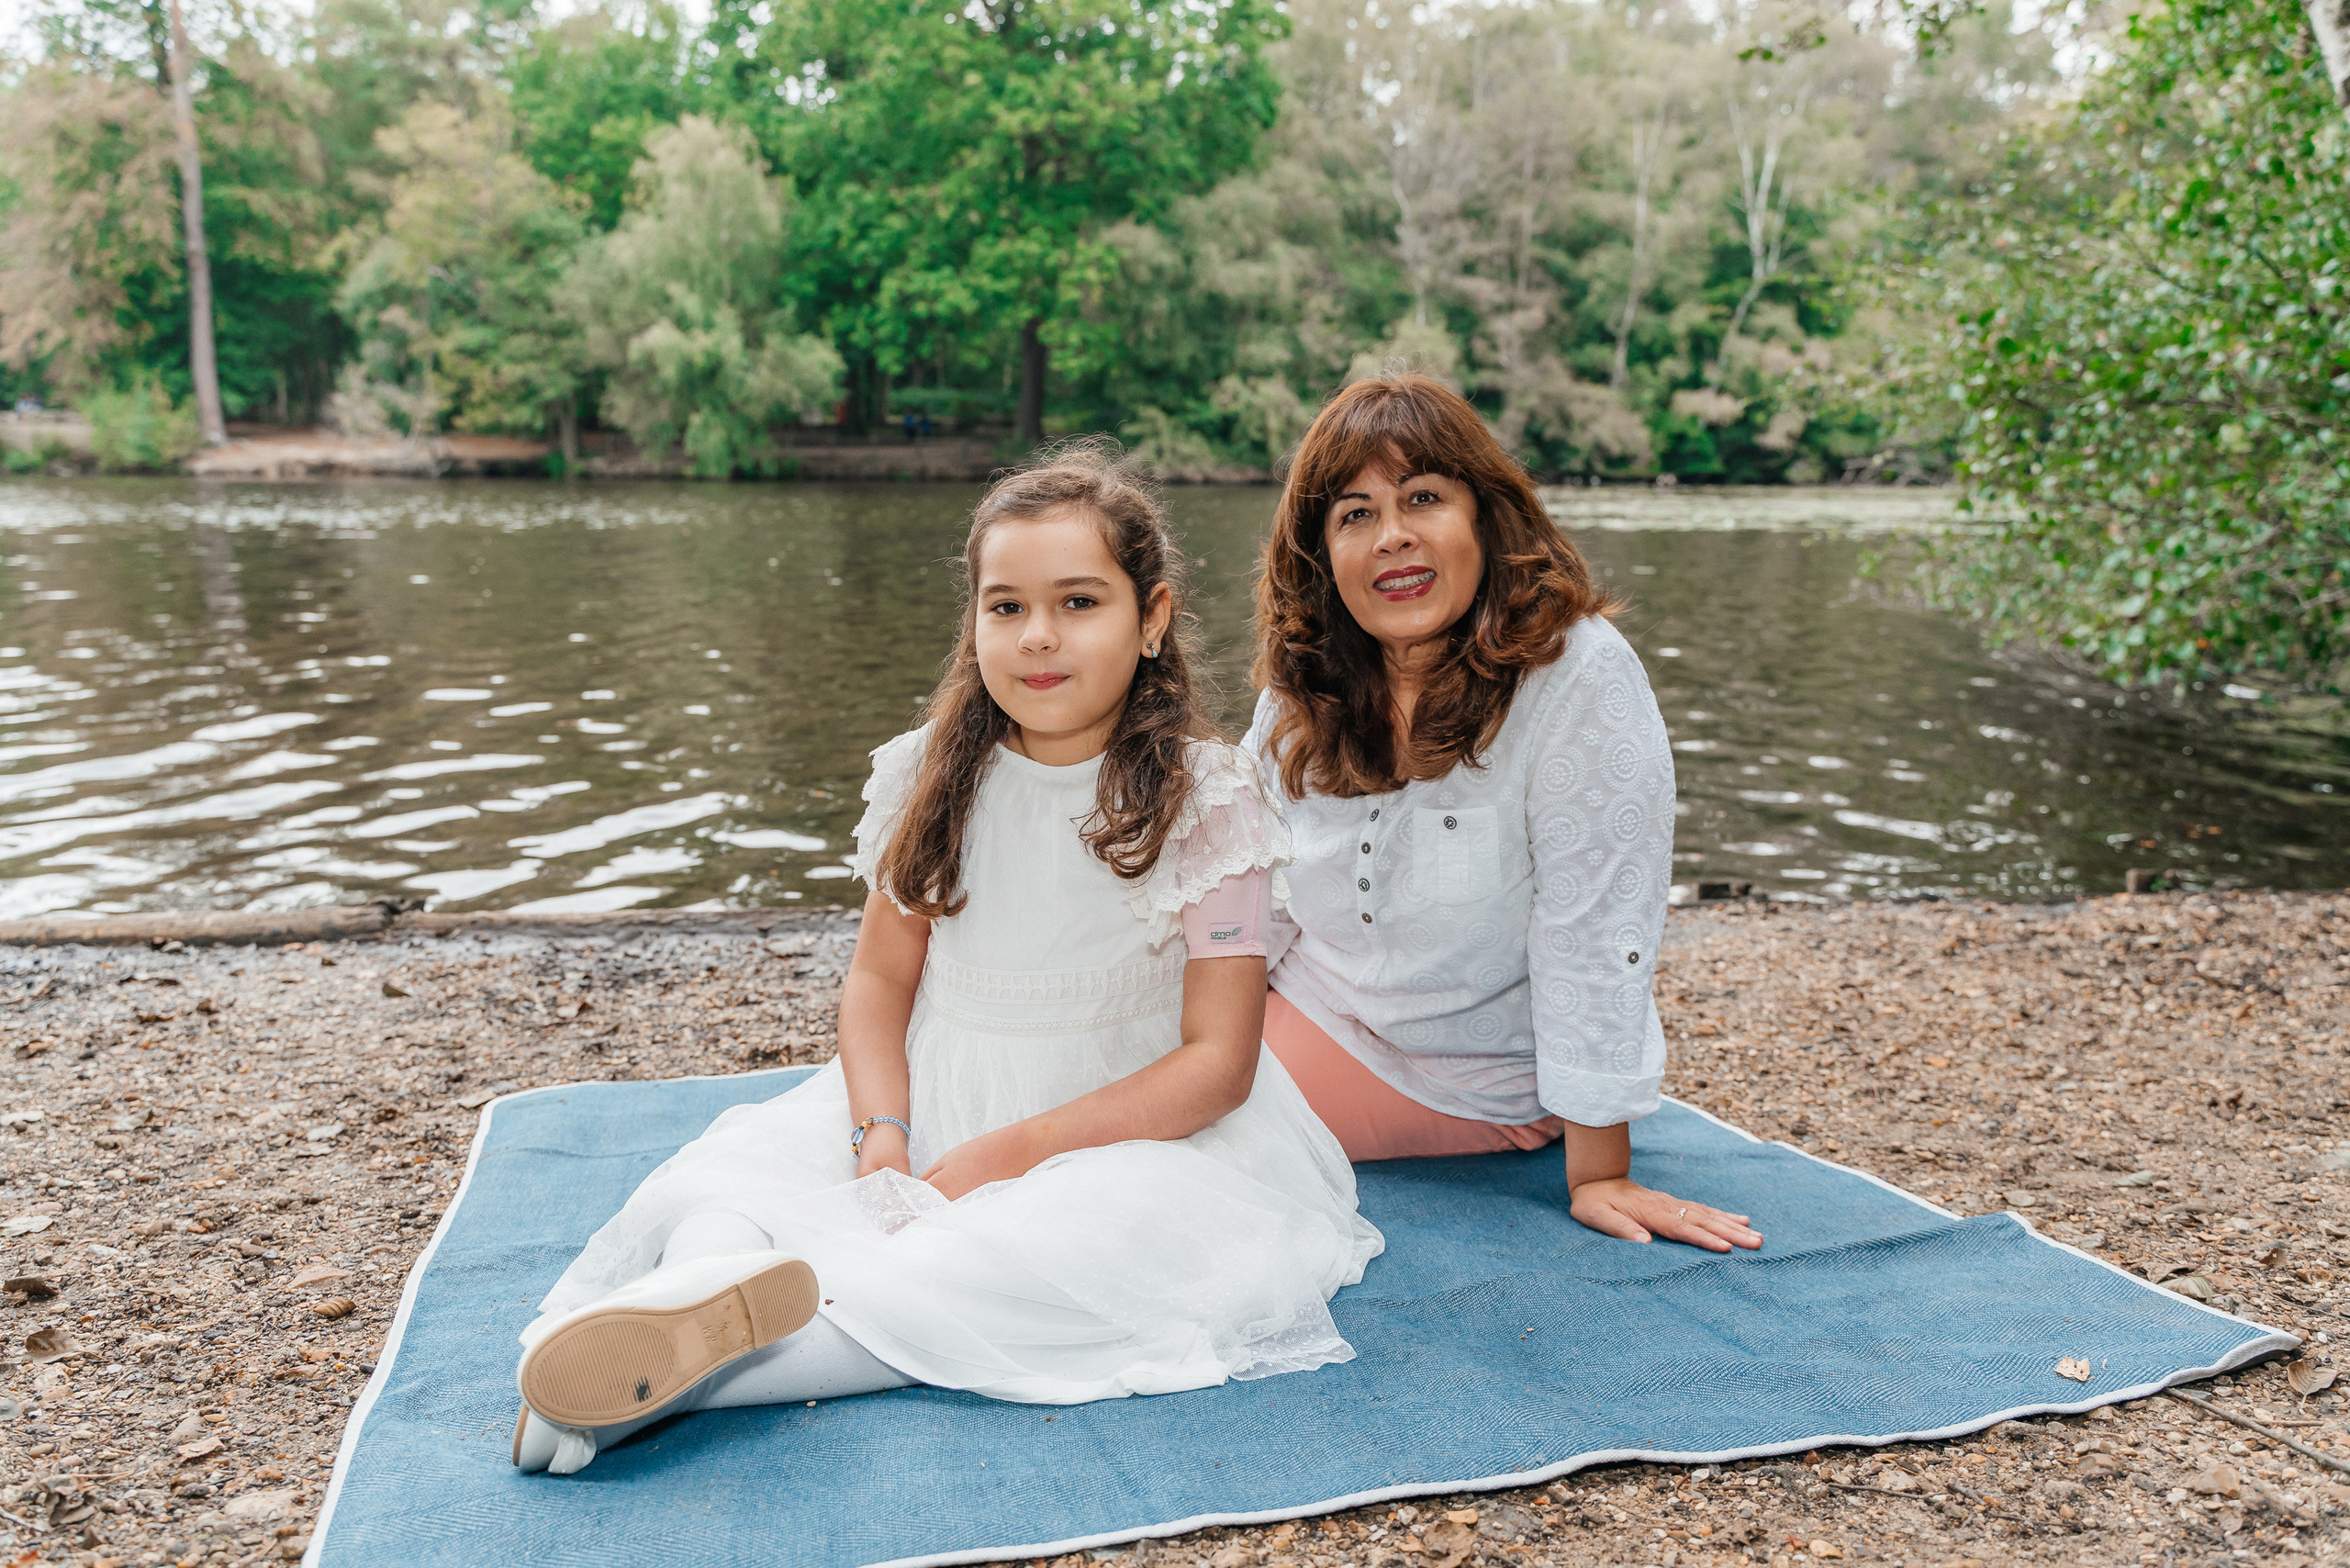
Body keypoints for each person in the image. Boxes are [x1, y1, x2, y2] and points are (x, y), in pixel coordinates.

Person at [510, 442, 1382, 1475]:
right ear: (973, 622)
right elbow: (881, 981)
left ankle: (682, 1381)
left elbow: (1216, 1064)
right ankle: (695, 1300)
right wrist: (885, 1131)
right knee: (737, 1179)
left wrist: (1001, 1158)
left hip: (1126, 1125)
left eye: (1078, 602)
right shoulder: (932, 771)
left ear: (1150, 618)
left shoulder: (1209, 797)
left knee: (1037, 1261)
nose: (1038, 637)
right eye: (1005, 607)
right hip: (930, 1090)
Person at [1244, 373, 1762, 1254]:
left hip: (1450, 1070)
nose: (1393, 535)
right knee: (1076, 1040)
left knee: (1145, 1119)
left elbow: (1597, 925)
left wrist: (1600, 1168)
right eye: (1355, 515)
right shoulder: (1308, 688)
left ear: (1485, 516)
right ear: (1322, 554)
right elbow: (1260, 899)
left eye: (1423, 499)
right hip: (1308, 1006)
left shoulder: (1577, 678)